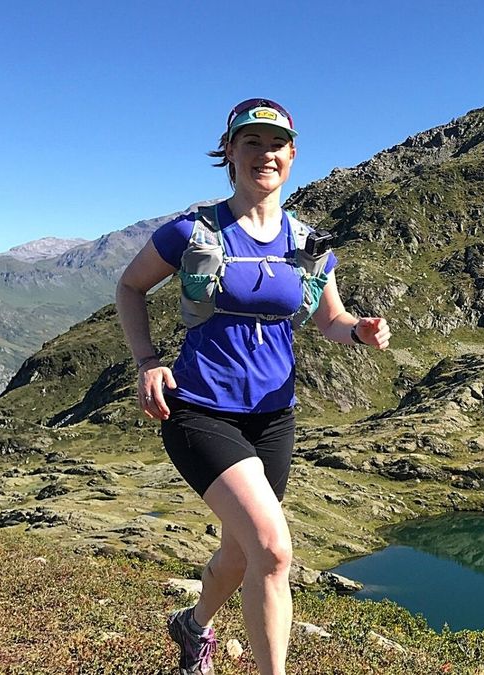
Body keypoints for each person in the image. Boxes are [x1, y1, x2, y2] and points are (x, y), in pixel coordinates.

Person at [115, 97, 390, 675]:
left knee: (241, 553)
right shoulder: (192, 231)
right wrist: (146, 361)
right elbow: (130, 287)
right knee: (273, 548)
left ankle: (192, 628)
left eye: (275, 144)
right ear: (231, 155)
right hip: (199, 412)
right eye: (251, 143)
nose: (264, 154)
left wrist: (359, 331)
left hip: (274, 417)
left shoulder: (310, 244)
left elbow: (327, 320)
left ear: (292, 156)